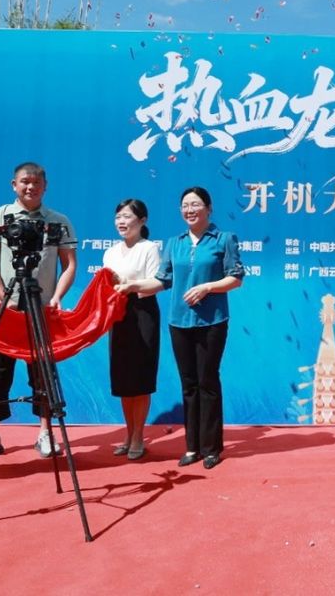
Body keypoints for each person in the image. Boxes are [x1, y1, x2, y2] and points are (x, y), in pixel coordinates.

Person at [118, 187, 244, 470]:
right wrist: (135, 286)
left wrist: (207, 287)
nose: (190, 210)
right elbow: (162, 280)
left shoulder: (223, 239)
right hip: (179, 322)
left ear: (209, 208)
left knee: (207, 382)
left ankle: (211, 448)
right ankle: (192, 447)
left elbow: (235, 278)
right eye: (185, 205)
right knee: (188, 384)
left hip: (212, 321)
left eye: (195, 204)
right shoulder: (174, 243)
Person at [0, 162, 77, 462]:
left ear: (45, 186)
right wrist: (4, 297)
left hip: (41, 308)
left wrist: (57, 296)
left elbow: (70, 265)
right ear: (14, 185)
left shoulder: (58, 221)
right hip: (5, 308)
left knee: (42, 373)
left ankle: (45, 433)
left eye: (36, 182)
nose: (31, 187)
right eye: (25, 182)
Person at [102, 199, 161, 460]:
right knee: (124, 379)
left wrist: (130, 285)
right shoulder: (110, 252)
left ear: (142, 220)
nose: (121, 222)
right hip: (119, 315)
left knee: (141, 378)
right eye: (118, 217)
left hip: (143, 313)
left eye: (127, 216)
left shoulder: (149, 248)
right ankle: (128, 434)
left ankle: (138, 435)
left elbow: (155, 283)